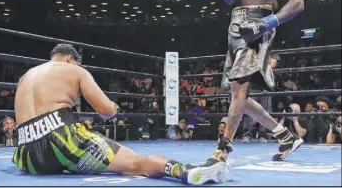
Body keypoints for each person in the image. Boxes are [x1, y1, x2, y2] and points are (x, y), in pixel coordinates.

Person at [12, 44, 230, 184]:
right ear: (70, 58)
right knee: (136, 163)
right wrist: (115, 108)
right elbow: (106, 112)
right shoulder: (74, 69)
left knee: (68, 156)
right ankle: (184, 171)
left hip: (27, 156)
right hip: (63, 139)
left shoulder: (25, 77)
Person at [210, 0, 305, 165]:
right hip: (235, 26)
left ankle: (223, 149)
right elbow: (234, 2)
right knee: (236, 95)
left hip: (259, 25)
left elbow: (297, 3)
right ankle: (285, 136)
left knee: (239, 88)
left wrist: (268, 23)